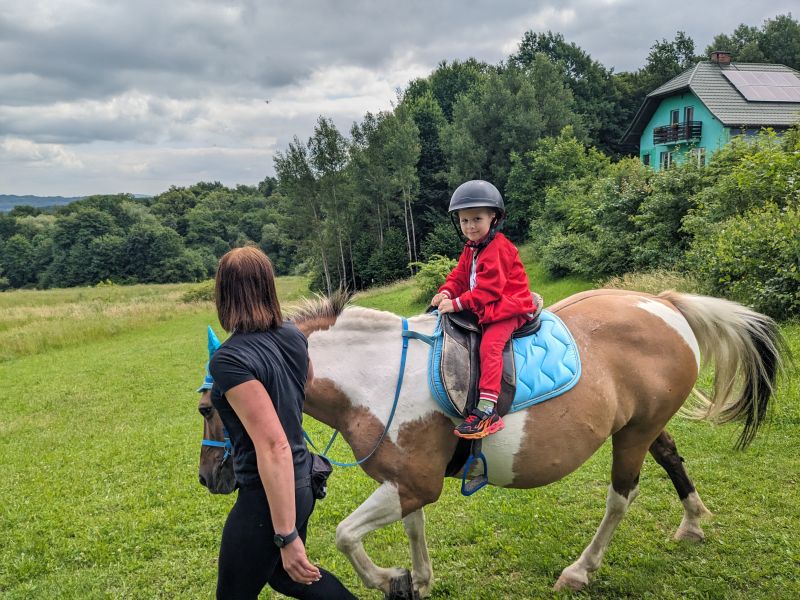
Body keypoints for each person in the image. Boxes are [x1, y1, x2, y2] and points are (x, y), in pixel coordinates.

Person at [208, 246, 356, 600]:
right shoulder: (292, 334)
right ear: (267, 287)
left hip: (267, 492)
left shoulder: (229, 360)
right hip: (302, 480)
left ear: (224, 294)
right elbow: (304, 383)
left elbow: (273, 446)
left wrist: (286, 536)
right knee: (288, 578)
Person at [431, 180, 536, 440]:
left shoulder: (499, 248)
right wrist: (446, 291)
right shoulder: (471, 248)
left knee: (490, 346)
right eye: (464, 220)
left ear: (494, 218)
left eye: (476, 219)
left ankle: (488, 411)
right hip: (488, 306)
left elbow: (490, 290)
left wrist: (456, 303)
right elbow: (459, 276)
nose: (470, 226)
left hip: (508, 307)